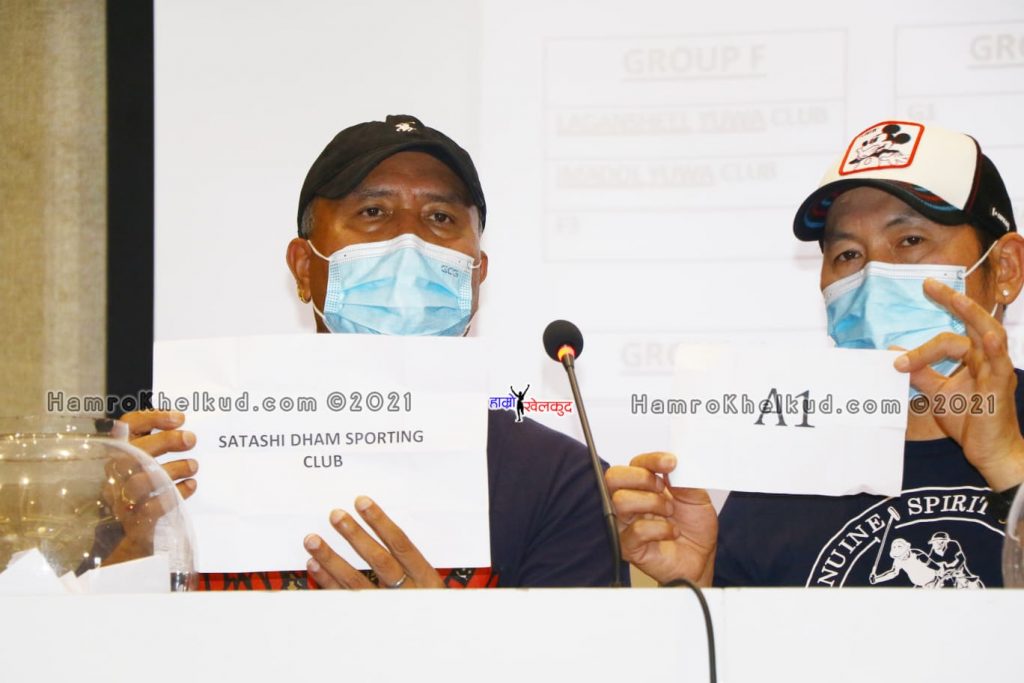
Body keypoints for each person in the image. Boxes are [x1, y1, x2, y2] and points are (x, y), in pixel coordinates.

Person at [130, 115, 624, 590]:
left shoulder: (564, 482)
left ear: (478, 273)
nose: (409, 242)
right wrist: (124, 536)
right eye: (373, 213)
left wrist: (436, 633)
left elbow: (571, 646)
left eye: (440, 217)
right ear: (303, 267)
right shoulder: (177, 461)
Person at [607, 120, 1024, 589]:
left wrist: (1008, 465)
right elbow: (735, 637)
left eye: (910, 241)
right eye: (848, 254)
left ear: (1005, 268)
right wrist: (697, 585)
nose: (873, 278)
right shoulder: (792, 455)